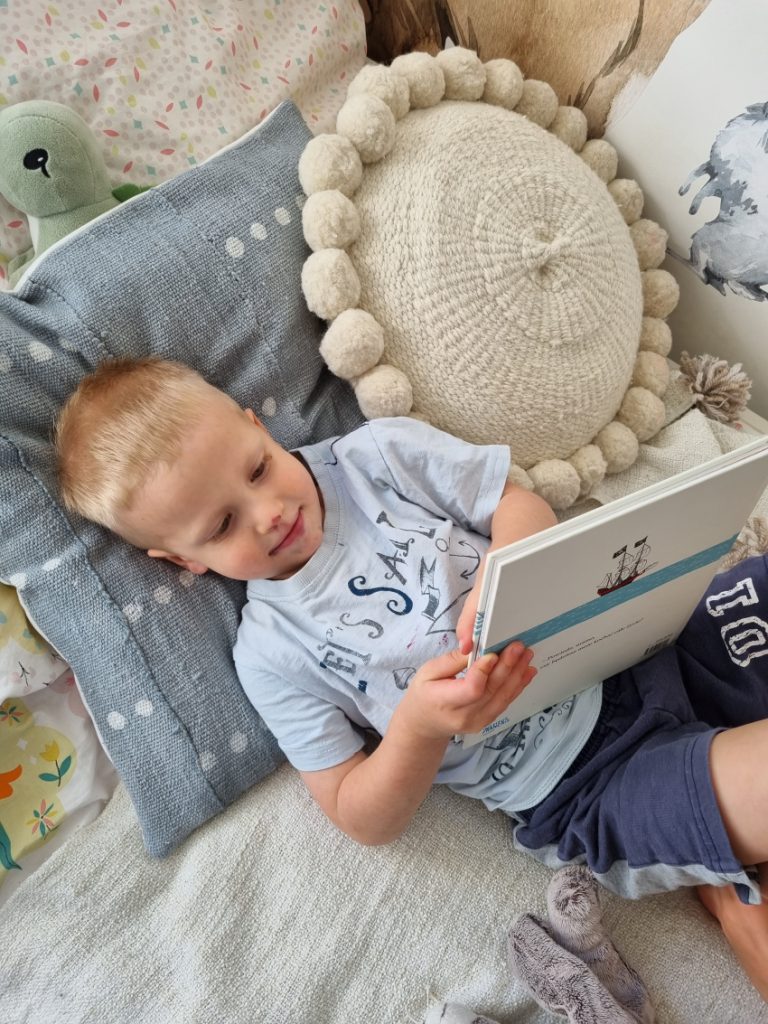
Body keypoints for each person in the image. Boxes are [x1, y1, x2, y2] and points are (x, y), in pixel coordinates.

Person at [55, 356, 768, 1001]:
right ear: (183, 562)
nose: (269, 515)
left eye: (258, 469)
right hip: (589, 781)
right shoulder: (271, 653)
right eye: (222, 526)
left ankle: (725, 872)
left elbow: (517, 505)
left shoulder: (378, 456)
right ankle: (718, 860)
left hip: (648, 642)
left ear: (256, 425)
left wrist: (505, 561)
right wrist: (420, 730)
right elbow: (357, 814)